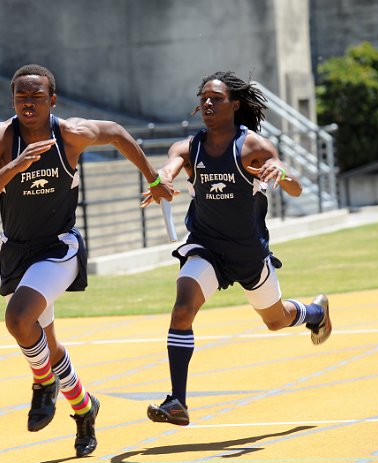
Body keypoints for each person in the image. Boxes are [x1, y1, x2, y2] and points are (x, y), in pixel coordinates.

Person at [0, 64, 166, 456]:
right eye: (21, 98)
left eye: (37, 97)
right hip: (15, 251)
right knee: (46, 344)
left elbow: (119, 134)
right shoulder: (0, 138)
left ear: (52, 100)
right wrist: (13, 167)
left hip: (57, 249)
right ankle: (85, 408)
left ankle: (42, 384)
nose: (28, 104)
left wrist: (154, 179)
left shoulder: (70, 134)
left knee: (19, 319)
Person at [141, 71, 332, 426]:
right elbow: (169, 166)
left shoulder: (254, 148)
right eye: (204, 98)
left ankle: (313, 314)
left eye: (216, 97)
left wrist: (280, 172)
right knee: (182, 308)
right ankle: (177, 401)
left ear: (235, 105)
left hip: (248, 253)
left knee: (275, 321)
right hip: (207, 248)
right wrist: (163, 179)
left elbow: (295, 190)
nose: (208, 103)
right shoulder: (189, 147)